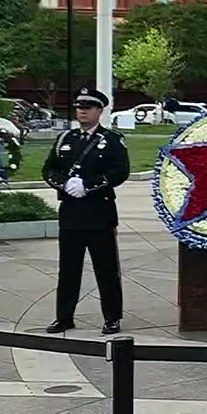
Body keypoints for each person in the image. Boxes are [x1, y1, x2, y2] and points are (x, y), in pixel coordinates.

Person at [41, 88, 131, 334]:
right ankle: (64, 317)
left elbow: (121, 171)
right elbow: (49, 169)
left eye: (88, 107)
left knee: (106, 269)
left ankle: (112, 317)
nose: (82, 110)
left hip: (99, 213)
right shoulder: (65, 139)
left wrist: (89, 186)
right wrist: (64, 184)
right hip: (71, 213)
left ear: (99, 111)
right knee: (68, 270)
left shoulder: (111, 140)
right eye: (79, 106)